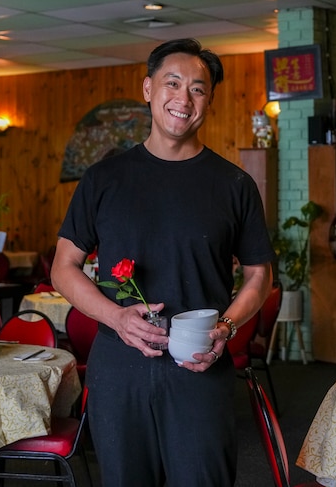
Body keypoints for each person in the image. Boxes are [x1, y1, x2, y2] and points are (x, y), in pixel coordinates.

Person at [51, 38, 275, 487]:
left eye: (197, 89)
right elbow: (63, 267)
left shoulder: (234, 185)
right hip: (119, 368)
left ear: (208, 101)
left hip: (199, 367)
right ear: (149, 89)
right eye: (173, 83)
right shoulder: (104, 179)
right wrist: (115, 316)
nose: (183, 98)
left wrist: (226, 329)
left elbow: (259, 275)